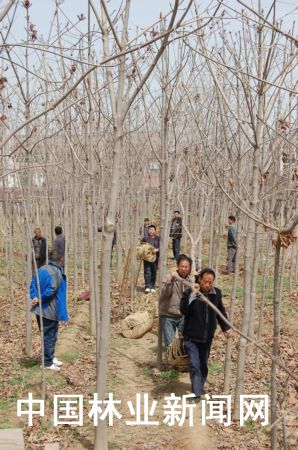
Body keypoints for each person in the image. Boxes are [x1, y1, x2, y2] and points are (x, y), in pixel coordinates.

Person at [180, 268, 231, 401]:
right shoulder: (189, 292)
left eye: (210, 282)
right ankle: (196, 393)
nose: (207, 285)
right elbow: (183, 309)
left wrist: (226, 328)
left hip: (207, 337)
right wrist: (192, 295)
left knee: (203, 364)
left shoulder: (216, 294)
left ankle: (199, 386)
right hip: (191, 336)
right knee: (195, 364)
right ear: (199, 280)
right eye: (205, 282)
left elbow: (221, 313)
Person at [30, 249, 68, 371]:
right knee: (49, 336)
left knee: (49, 335)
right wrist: (40, 299)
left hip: (39, 309)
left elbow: (33, 285)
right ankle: (47, 362)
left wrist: (35, 297)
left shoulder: (41, 269)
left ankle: (49, 357)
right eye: (62, 259)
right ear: (60, 259)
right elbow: (52, 289)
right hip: (49, 310)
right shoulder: (56, 272)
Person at [159, 254, 192, 347]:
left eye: (186, 267)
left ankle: (182, 360)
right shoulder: (168, 277)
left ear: (189, 268)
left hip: (183, 316)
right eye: (182, 266)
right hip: (168, 315)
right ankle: (171, 361)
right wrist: (170, 282)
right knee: (170, 344)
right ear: (177, 266)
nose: (184, 269)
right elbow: (164, 294)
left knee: (186, 342)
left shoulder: (190, 281)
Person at [141, 224, 160, 293]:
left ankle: (152, 286)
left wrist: (157, 250)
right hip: (146, 258)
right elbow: (141, 246)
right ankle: (147, 286)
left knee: (154, 272)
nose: (151, 231)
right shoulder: (145, 238)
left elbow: (161, 247)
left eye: (152, 230)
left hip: (155, 258)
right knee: (147, 272)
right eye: (150, 229)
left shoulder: (158, 238)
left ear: (155, 231)